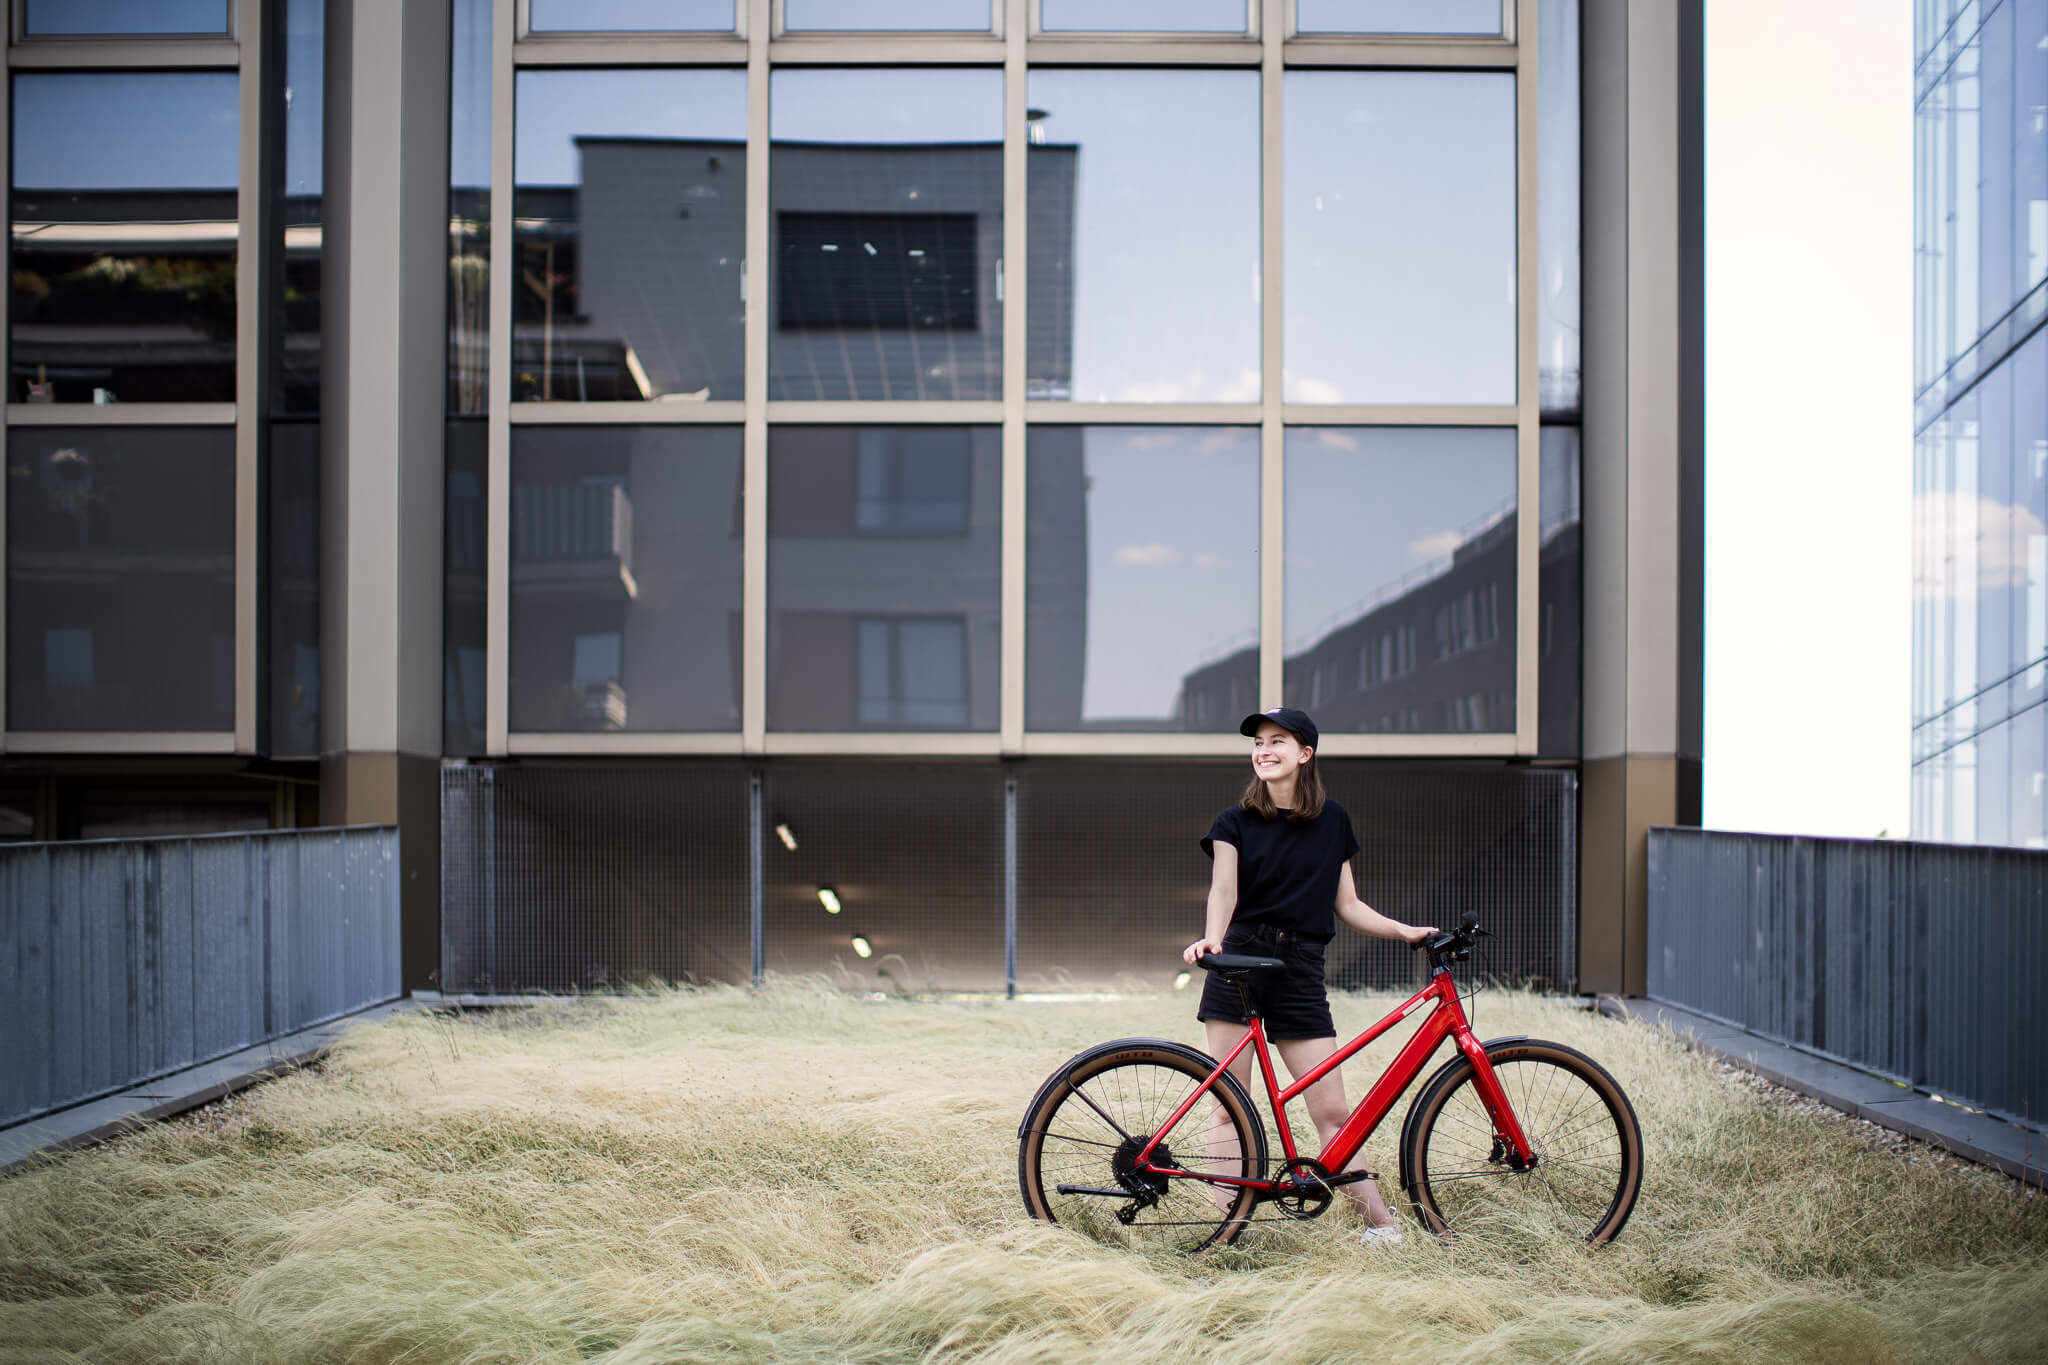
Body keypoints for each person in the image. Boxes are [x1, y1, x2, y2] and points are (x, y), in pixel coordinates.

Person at [1182, 706, 1436, 1244]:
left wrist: (1404, 931)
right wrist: (1213, 939)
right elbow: (1223, 890)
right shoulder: (1233, 822)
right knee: (1230, 1107)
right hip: (1241, 960)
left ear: (1305, 754)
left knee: (1333, 1111)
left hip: (1300, 970)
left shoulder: (1334, 821)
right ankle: (1227, 1230)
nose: (1264, 750)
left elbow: (1349, 904)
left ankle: (1380, 1228)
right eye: (1258, 742)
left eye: (1278, 741)